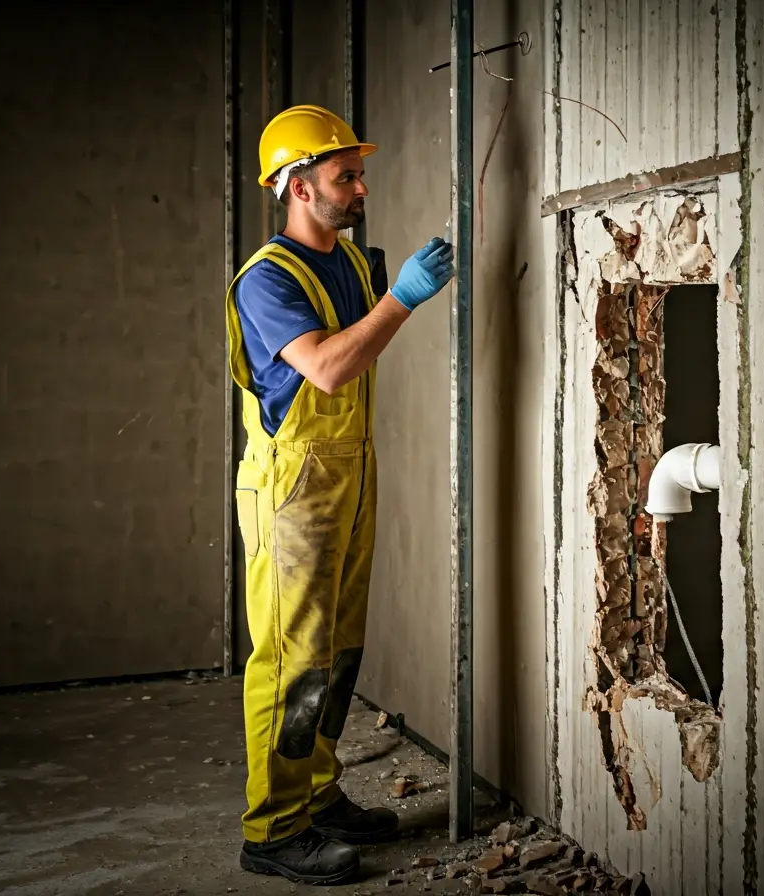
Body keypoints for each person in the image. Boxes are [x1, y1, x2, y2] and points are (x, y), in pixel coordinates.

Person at [224, 104, 454, 886]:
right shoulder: (267, 280)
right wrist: (406, 299)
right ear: (297, 187)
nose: (360, 187)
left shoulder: (353, 266)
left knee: (336, 652)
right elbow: (325, 368)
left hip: (349, 476)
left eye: (359, 173)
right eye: (343, 176)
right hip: (294, 487)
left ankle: (317, 796)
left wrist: (391, 292)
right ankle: (274, 828)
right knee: (292, 663)